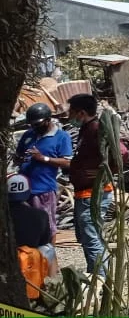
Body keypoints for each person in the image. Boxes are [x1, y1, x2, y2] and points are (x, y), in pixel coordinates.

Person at [66, 94, 115, 278]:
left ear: (81, 113)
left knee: (93, 240)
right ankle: (95, 275)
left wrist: (104, 171)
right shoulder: (86, 129)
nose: (69, 116)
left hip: (93, 195)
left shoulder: (97, 129)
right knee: (87, 239)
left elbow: (123, 153)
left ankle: (102, 282)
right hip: (84, 194)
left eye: (71, 112)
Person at [15, 103, 73, 243]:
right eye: (32, 125)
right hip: (23, 190)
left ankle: (48, 256)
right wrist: (19, 159)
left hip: (43, 190)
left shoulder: (61, 137)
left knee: (46, 226)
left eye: (37, 124)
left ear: (48, 120)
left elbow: (67, 162)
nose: (34, 127)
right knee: (25, 225)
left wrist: (43, 158)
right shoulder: (29, 135)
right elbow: (19, 154)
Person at [8, 174, 57, 301]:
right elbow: (44, 242)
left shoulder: (4, 217)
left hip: (7, 258)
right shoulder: (40, 215)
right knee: (49, 249)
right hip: (31, 261)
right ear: (28, 192)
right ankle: (51, 290)